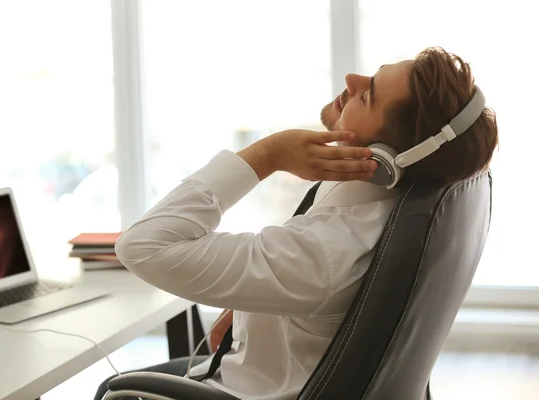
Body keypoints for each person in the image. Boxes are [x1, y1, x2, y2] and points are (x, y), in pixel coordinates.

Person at [94, 47, 498, 400]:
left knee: (113, 390)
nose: (351, 80)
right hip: (259, 367)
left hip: (241, 391)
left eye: (368, 93)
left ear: (381, 158)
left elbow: (142, 246)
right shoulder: (380, 201)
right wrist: (253, 308)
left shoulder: (325, 252)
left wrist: (266, 155)